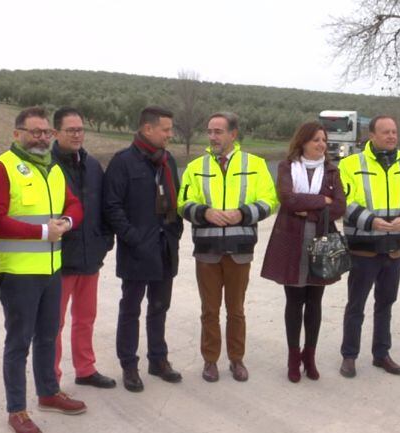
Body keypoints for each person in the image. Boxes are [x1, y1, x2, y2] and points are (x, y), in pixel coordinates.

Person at [0, 107, 86, 433]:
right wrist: (44, 232)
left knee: (48, 334)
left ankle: (48, 393)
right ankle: (17, 410)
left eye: (46, 132)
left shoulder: (53, 169)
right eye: (35, 132)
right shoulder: (1, 169)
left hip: (51, 269)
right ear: (17, 134)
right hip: (18, 273)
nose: (42, 137)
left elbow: (73, 204)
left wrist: (67, 221)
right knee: (19, 343)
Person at [178, 111, 278, 383]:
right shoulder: (195, 166)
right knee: (209, 310)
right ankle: (210, 361)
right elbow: (182, 203)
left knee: (236, 310)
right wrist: (204, 212)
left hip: (240, 249)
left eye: (218, 132)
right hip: (207, 250)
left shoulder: (256, 165)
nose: (212, 137)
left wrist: (243, 213)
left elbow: (271, 201)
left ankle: (237, 359)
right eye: (209, 131)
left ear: (233, 134)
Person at [338, 115, 400, 378]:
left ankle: (381, 354)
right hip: (363, 248)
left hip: (394, 248)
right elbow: (344, 199)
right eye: (386, 132)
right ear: (372, 135)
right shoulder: (350, 164)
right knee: (356, 305)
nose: (391, 136)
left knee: (385, 303)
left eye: (394, 132)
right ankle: (349, 355)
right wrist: (371, 221)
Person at [102, 106, 184, 393]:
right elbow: (111, 205)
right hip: (137, 249)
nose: (170, 134)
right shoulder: (123, 162)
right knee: (131, 308)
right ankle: (129, 364)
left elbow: (176, 199)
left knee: (159, 307)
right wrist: (132, 237)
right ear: (147, 129)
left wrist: (175, 232)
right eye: (166, 129)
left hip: (165, 247)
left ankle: (157, 360)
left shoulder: (167, 160)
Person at [260, 121, 346, 383]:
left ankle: (310, 356)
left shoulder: (331, 171)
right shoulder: (287, 167)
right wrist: (322, 201)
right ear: (303, 142)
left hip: (321, 243)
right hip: (291, 243)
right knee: (294, 302)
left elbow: (340, 207)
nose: (321, 144)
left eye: (324, 140)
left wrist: (307, 208)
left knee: (315, 302)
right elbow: (288, 199)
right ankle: (293, 357)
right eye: (316, 139)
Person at [51, 107, 116, 389]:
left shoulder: (92, 165)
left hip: (91, 258)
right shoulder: (47, 166)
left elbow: (103, 206)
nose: (77, 135)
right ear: (56, 133)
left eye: (80, 129)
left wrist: (104, 241)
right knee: (54, 325)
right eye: (71, 130)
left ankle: (85, 369)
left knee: (86, 318)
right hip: (59, 261)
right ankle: (50, 379)